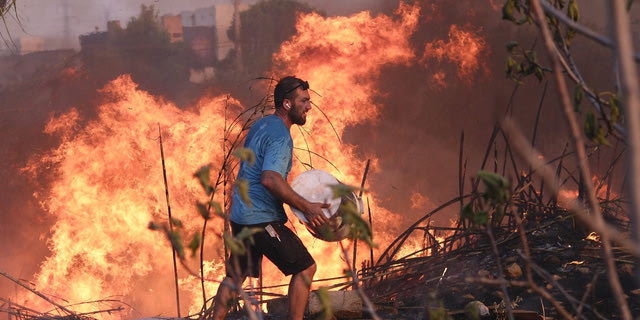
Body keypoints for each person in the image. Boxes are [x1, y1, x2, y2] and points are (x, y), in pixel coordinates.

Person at [210, 76, 330, 320]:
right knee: (306, 268)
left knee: (236, 275)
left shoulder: (262, 124)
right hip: (259, 218)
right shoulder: (281, 137)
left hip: (241, 214)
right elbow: (270, 179)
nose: (309, 107)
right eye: (304, 101)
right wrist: (307, 207)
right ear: (287, 104)